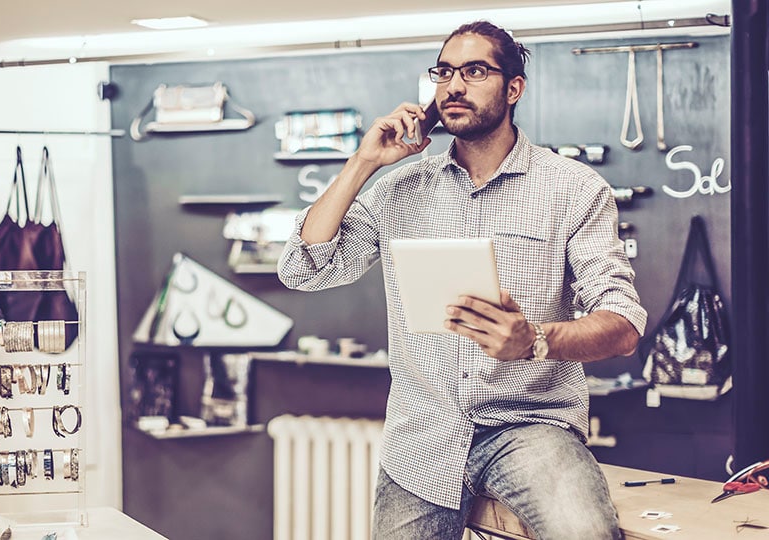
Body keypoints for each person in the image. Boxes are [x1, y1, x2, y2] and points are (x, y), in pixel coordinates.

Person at [277, 20, 647, 540]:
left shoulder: (573, 188)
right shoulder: (401, 188)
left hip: (530, 429)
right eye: (445, 72)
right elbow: (303, 269)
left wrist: (535, 339)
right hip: (422, 434)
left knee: (585, 533)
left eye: (475, 71)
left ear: (513, 88)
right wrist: (364, 163)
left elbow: (624, 324)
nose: (453, 86)